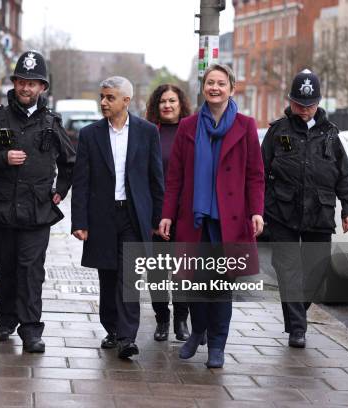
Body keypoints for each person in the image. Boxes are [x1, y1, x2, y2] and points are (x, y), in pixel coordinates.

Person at [159, 64, 264, 368]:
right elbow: (175, 177)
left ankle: (217, 344)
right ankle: (197, 332)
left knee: (221, 287)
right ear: (203, 88)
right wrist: (167, 215)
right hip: (195, 218)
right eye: (209, 83)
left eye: (220, 83)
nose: (214, 88)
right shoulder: (188, 127)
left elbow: (256, 175)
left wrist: (257, 211)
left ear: (231, 88)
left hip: (230, 221)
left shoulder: (245, 126)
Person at [0, 50, 75, 353]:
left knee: (31, 270)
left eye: (33, 83)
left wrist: (61, 189)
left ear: (42, 87)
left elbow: (70, 162)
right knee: (5, 267)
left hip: (36, 210)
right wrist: (2, 158)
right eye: (21, 82)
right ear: (14, 83)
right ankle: (6, 320)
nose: (26, 88)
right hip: (1, 207)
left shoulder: (51, 122)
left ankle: (31, 329)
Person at [261, 69, 348, 348]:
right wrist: (261, 208)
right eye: (299, 105)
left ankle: (294, 317)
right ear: (290, 101)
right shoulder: (278, 132)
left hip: (320, 213)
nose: (303, 110)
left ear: (318, 102)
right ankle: (298, 330)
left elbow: (343, 177)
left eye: (309, 105)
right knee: (288, 270)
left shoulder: (331, 134)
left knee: (317, 268)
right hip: (283, 213)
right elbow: (259, 172)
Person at [71, 76, 164, 359]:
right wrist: (80, 222)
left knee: (130, 279)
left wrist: (157, 219)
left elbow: (155, 179)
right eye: (102, 97)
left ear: (126, 100)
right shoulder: (89, 135)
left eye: (110, 97)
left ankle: (127, 338)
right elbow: (82, 181)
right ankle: (111, 328)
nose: (103, 102)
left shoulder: (147, 132)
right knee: (108, 277)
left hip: (134, 216)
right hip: (102, 216)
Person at [145, 84, 192, 342]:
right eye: (162, 101)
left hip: (184, 214)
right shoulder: (150, 132)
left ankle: (181, 321)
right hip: (156, 212)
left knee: (182, 271)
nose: (167, 105)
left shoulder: (191, 132)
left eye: (172, 100)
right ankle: (162, 319)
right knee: (157, 272)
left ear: (180, 104)